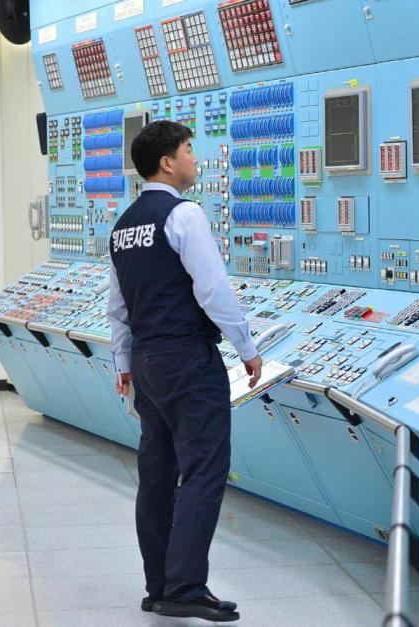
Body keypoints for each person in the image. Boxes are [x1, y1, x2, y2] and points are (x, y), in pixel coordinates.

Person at [106, 120, 262, 622]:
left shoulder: (123, 224)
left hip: (148, 362)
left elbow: (117, 306)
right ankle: (187, 588)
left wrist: (123, 363)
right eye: (190, 150)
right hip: (188, 360)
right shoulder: (184, 214)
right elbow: (212, 289)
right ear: (168, 162)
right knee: (203, 472)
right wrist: (247, 346)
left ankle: (159, 587)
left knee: (156, 475)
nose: (196, 159)